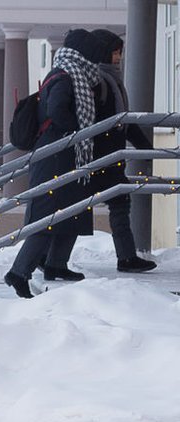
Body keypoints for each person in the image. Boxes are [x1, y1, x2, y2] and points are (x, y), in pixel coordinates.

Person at [4, 29, 103, 298]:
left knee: (72, 211)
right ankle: (18, 272)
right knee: (48, 218)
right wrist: (76, 132)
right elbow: (58, 108)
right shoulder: (65, 75)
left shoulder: (73, 74)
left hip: (64, 155)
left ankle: (56, 264)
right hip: (55, 155)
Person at [90, 28, 156, 273]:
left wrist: (146, 149)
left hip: (109, 156)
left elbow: (123, 121)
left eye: (119, 52)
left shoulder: (113, 80)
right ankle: (126, 258)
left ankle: (127, 257)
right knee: (116, 203)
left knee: (115, 203)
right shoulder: (100, 80)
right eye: (115, 52)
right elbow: (113, 120)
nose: (118, 57)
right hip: (101, 157)